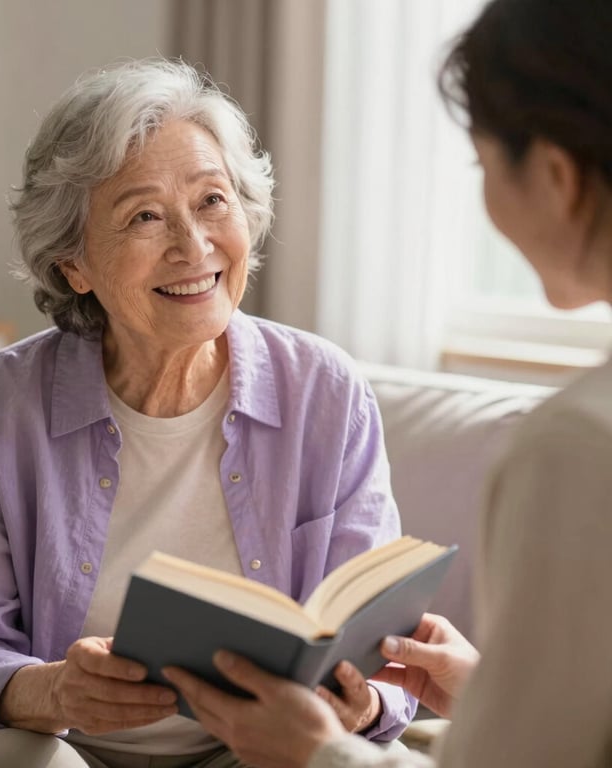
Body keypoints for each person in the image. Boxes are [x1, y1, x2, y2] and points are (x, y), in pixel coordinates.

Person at [0, 58, 415, 768]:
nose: (193, 246)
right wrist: (55, 691)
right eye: (145, 216)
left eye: (213, 201)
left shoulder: (326, 393)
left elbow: (385, 660)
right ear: (75, 264)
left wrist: (361, 700)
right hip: (55, 745)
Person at [163, 1, 612, 766]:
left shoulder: (578, 446)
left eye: (481, 163)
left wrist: (316, 751)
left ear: (557, 176)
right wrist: (492, 692)